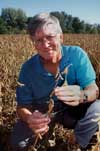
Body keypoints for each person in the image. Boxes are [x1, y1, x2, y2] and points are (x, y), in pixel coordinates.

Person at [11, 12, 100, 151]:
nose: (45, 44)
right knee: (18, 144)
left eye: (50, 37)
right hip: (42, 113)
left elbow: (93, 89)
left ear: (61, 37)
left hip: (72, 110)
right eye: (39, 40)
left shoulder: (77, 55)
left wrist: (82, 95)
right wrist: (30, 118)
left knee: (97, 109)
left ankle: (77, 143)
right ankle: (44, 134)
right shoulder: (27, 69)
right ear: (34, 43)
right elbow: (22, 106)